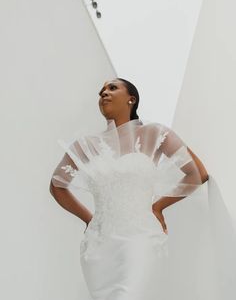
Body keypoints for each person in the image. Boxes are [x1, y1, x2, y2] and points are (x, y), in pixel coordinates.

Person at [50, 78, 236, 300]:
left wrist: (158, 206)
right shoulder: (85, 144)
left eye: (112, 88)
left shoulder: (154, 133)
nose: (104, 94)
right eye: (101, 92)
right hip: (98, 249)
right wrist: (90, 220)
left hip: (141, 239)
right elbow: (57, 186)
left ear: (132, 99)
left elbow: (197, 174)